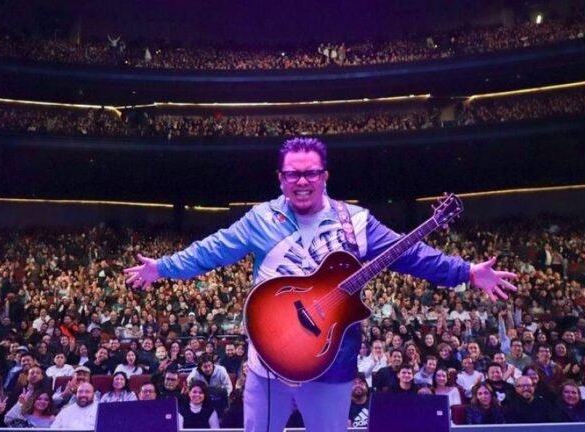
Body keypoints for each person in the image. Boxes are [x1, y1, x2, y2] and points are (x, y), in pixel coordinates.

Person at [124, 137, 518, 432]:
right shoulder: (260, 219)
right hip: (267, 365)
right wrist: (163, 268)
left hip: (331, 365)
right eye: (292, 174)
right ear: (280, 179)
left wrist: (466, 272)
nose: (302, 181)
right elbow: (213, 249)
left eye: (311, 172)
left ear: (325, 176)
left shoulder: (356, 222)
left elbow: (410, 254)